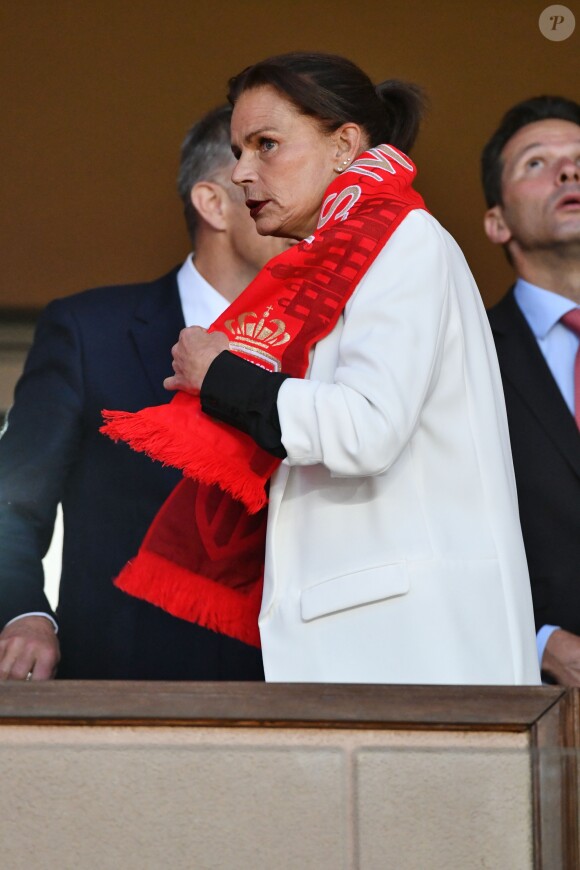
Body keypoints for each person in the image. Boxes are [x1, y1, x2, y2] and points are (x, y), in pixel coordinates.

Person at [107, 52, 540, 685]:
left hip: (410, 647)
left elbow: (367, 427)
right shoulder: (345, 250)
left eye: (266, 145)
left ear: (345, 145)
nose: (242, 172)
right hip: (371, 642)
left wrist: (224, 374)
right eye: (238, 149)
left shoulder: (401, 239)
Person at [0, 104, 289, 681]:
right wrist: (25, 616)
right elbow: (12, 504)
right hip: (127, 679)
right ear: (213, 204)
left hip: (295, 683)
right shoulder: (89, 331)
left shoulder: (331, 342)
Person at [483, 95, 580, 685]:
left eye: (579, 160)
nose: (569, 172)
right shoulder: (466, 356)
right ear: (497, 222)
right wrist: (536, 642)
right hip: (536, 705)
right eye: (536, 163)